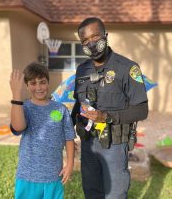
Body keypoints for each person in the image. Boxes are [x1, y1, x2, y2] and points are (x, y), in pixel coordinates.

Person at [71, 17, 149, 199]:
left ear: (106, 36)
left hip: (114, 144)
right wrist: (67, 125)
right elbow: (78, 103)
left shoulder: (128, 68)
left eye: (95, 36)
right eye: (85, 41)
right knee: (91, 192)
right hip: (88, 143)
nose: (91, 43)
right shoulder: (81, 70)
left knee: (115, 194)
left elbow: (141, 110)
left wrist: (106, 117)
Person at [9, 62, 76, 199]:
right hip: (28, 176)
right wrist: (16, 94)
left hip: (53, 176)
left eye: (42, 82)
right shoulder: (24, 108)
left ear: (48, 83)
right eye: (33, 83)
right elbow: (18, 127)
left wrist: (70, 164)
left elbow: (69, 138)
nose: (38, 87)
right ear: (27, 86)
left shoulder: (60, 109)